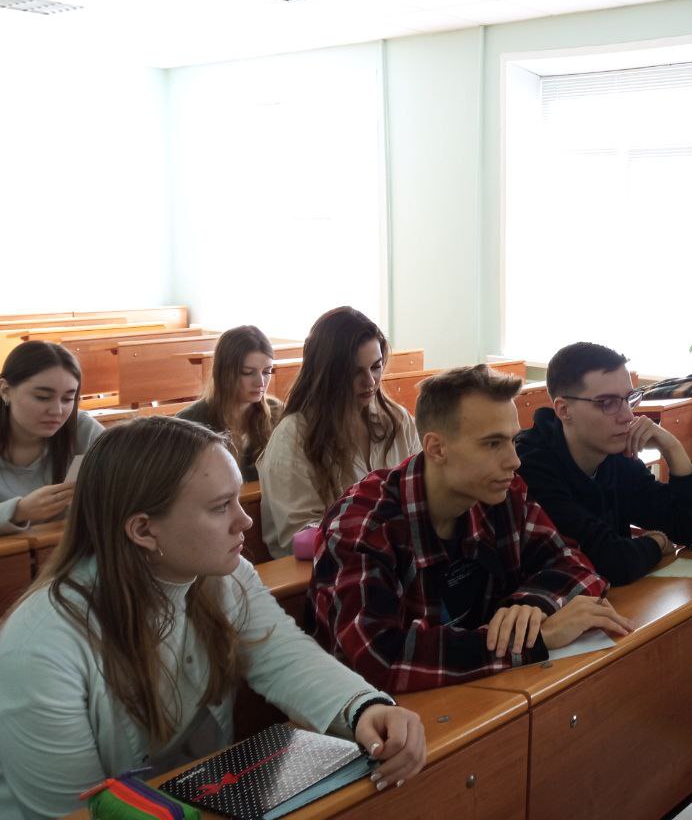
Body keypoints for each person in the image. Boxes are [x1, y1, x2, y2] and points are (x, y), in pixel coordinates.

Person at [0, 417, 426, 820]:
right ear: (144, 531)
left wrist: (363, 706)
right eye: (221, 506)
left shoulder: (223, 574)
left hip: (197, 799)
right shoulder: (41, 646)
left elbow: (284, 653)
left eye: (238, 498)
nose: (244, 520)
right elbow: (75, 811)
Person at [308, 364, 633, 692]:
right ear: (437, 448)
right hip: (377, 722)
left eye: (513, 441)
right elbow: (377, 660)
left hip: (476, 695)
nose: (514, 461)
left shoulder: (504, 494)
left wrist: (532, 604)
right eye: (493, 444)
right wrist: (534, 639)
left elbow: (574, 564)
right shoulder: (363, 523)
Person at [515, 341, 692, 585]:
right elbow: (609, 562)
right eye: (608, 403)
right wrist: (656, 543)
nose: (627, 416)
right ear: (563, 410)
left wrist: (672, 448)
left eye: (628, 399)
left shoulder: (614, 456)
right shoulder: (531, 465)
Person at [258, 307, 416, 558]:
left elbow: (419, 492)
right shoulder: (294, 436)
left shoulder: (396, 420)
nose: (371, 381)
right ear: (327, 374)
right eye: (355, 372)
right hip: (325, 575)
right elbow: (299, 538)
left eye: (376, 367)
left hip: (395, 559)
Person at [1, 341, 103, 535]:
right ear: (5, 390)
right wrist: (19, 511)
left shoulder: (82, 429)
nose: (57, 411)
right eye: (42, 397)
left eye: (67, 399)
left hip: (67, 557)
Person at [177, 325, 282, 482]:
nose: (260, 382)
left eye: (267, 372)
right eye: (247, 372)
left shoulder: (277, 411)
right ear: (224, 372)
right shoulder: (190, 423)